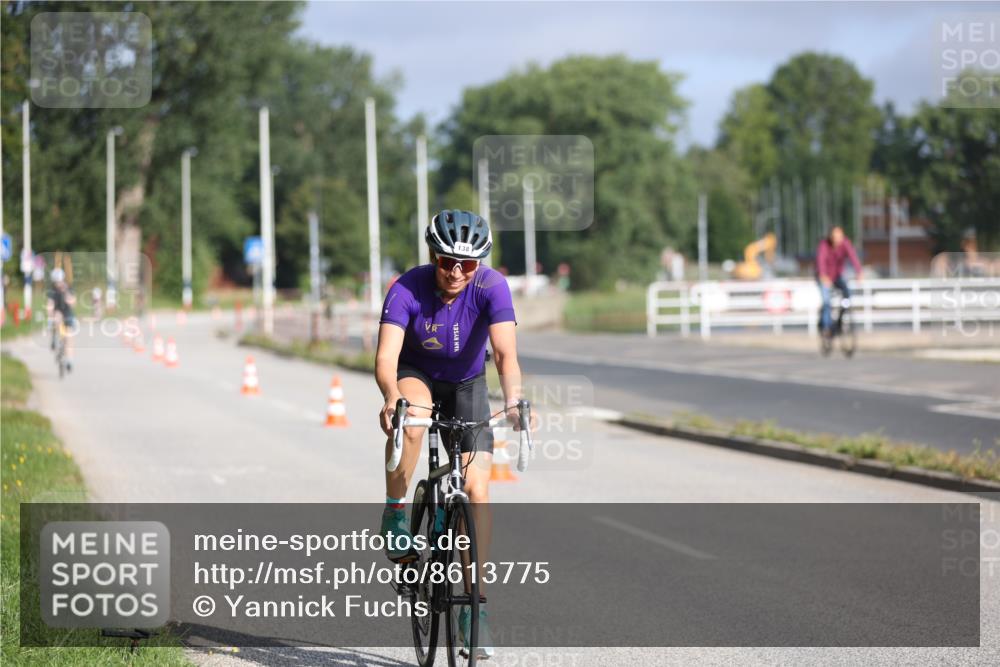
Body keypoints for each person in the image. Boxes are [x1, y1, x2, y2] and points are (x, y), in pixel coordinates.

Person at [375, 209, 528, 659]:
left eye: (468, 264)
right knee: (415, 416)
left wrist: (515, 399)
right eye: (446, 261)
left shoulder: (492, 287)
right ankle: (395, 512)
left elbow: (504, 353)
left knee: (478, 490)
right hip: (417, 373)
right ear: (432, 256)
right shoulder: (406, 287)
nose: (456, 272)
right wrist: (389, 395)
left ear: (481, 264)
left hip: (467, 383)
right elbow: (386, 356)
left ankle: (474, 609)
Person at [816, 226, 863, 336]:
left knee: (847, 295)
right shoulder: (824, 245)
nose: (838, 239)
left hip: (837, 276)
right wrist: (823, 276)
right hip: (825, 276)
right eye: (835, 237)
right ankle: (826, 327)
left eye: (840, 237)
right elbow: (820, 261)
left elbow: (853, 256)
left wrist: (859, 272)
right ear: (831, 237)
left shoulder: (845, 244)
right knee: (827, 302)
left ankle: (840, 319)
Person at [46, 268, 77, 371]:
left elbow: (73, 303)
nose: (58, 284)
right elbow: (50, 304)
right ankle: (54, 338)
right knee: (56, 317)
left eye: (59, 281)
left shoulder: (68, 288)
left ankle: (69, 360)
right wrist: (50, 316)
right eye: (56, 282)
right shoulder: (52, 291)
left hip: (67, 313)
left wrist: (67, 294)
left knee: (69, 337)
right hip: (57, 312)